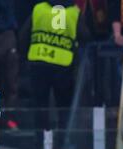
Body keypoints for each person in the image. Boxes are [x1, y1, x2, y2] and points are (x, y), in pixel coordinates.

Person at [20, 0, 89, 129]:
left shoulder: (39, 9)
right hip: (63, 66)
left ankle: (41, 141)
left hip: (39, 63)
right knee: (63, 108)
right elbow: (85, 36)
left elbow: (23, 36)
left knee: (40, 107)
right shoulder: (73, 13)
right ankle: (63, 142)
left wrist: (25, 60)